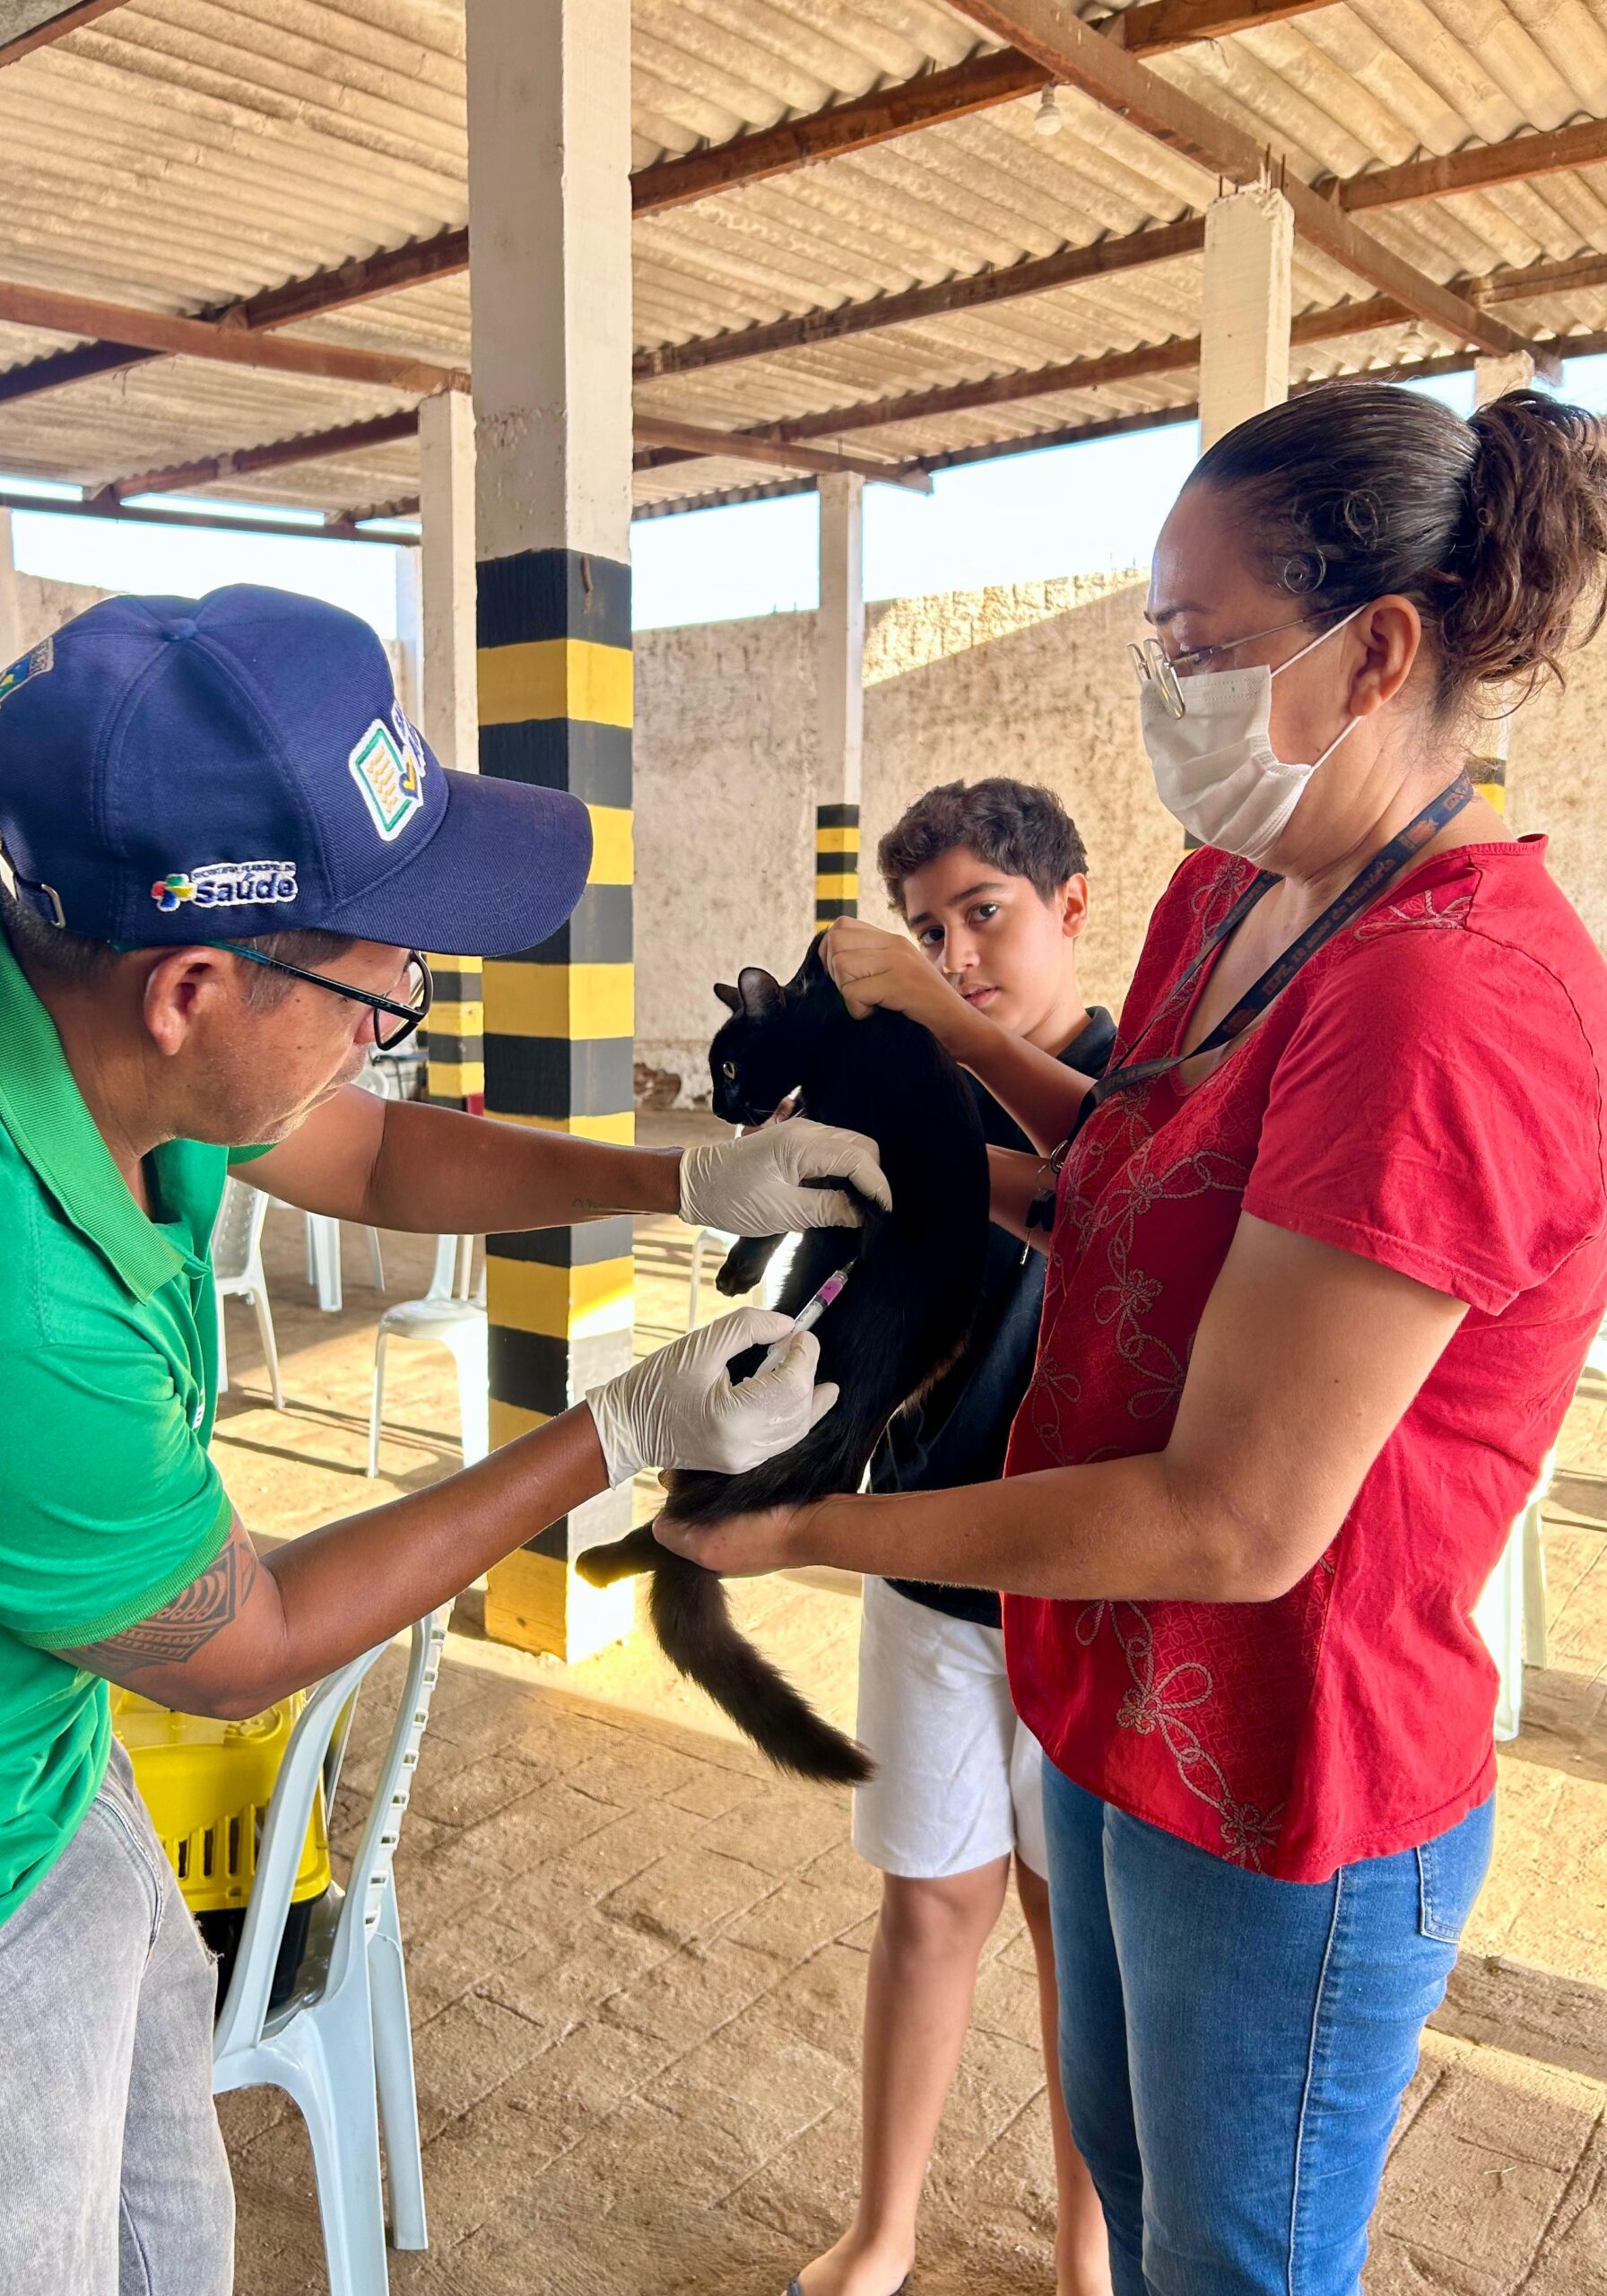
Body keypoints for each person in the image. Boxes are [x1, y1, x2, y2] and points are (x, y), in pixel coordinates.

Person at [658, 383, 1607, 2294]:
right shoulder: (1236, 894)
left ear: (1382, 650)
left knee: (1231, 2264)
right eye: (1150, 635)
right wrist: (913, 1124)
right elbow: (1125, 1171)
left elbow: (1233, 1520)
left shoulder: (1455, 1000)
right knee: (1130, 2174)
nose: (1164, 679)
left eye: (1199, 640)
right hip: (1101, 1697)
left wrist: (811, 1528)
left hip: (1284, 1767)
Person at [0, 587, 883, 2296]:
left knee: (168, 2229)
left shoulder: (31, 946)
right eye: (381, 979)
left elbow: (360, 1157)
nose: (398, 1006)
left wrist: (672, 1182)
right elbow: (239, 1648)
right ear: (194, 984)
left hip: (40, 1768)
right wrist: (620, 1431)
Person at [790, 778, 1112, 2296]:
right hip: (925, 1574)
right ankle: (885, 2227)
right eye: (927, 926)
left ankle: (1086, 2246)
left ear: (1072, 905)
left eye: (984, 913)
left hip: (1086, 1590)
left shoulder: (1134, 1102)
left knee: (1077, 1944)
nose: (956, 954)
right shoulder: (917, 1105)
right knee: (929, 1906)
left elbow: (1104, 1216)